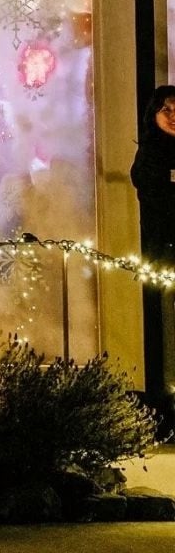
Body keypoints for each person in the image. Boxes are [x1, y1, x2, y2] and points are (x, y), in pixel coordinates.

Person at [131, 84, 175, 428]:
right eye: (166, 110)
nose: (173, 117)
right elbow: (156, 201)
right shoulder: (149, 156)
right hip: (163, 255)